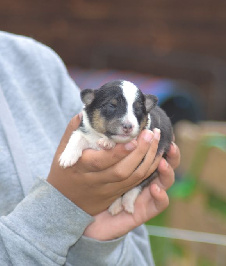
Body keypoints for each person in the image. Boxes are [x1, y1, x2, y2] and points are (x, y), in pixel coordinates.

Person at [0, 31, 179, 265]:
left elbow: (139, 257)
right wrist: (62, 208)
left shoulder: (38, 63)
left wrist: (97, 244)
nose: (126, 123)